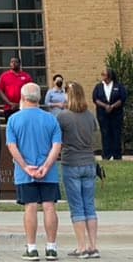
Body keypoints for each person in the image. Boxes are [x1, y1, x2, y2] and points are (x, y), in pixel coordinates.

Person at [6, 82, 63, 261]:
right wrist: (46, 166)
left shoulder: (14, 119)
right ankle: (51, 247)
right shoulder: (51, 119)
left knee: (30, 207)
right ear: (39, 98)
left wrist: (25, 166)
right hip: (49, 172)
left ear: (22, 98)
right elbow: (57, 146)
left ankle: (31, 248)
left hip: (25, 173)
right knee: (49, 206)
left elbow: (12, 146)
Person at [57, 82, 100, 259]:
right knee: (89, 205)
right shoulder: (90, 116)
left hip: (71, 163)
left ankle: (81, 247)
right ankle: (93, 246)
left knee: (77, 208)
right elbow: (97, 142)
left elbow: (57, 141)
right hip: (89, 163)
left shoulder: (63, 117)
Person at [92, 67, 127, 160]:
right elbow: (95, 99)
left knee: (116, 134)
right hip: (103, 115)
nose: (102, 76)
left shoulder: (118, 86)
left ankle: (117, 155)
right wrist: (105, 106)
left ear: (109, 76)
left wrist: (112, 106)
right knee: (105, 134)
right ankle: (106, 155)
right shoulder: (98, 87)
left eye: (104, 74)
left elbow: (122, 98)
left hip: (116, 115)